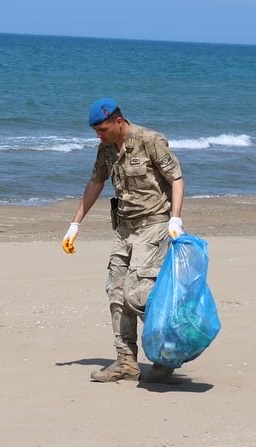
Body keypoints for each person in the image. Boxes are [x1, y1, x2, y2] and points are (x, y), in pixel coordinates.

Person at [62, 98, 185, 383]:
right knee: (116, 293)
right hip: (123, 230)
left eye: (102, 129)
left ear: (119, 122)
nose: (99, 135)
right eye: (96, 131)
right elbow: (96, 182)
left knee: (137, 293)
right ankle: (126, 362)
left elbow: (176, 179)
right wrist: (75, 224)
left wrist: (175, 219)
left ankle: (168, 352)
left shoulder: (150, 140)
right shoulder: (105, 148)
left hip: (154, 225)